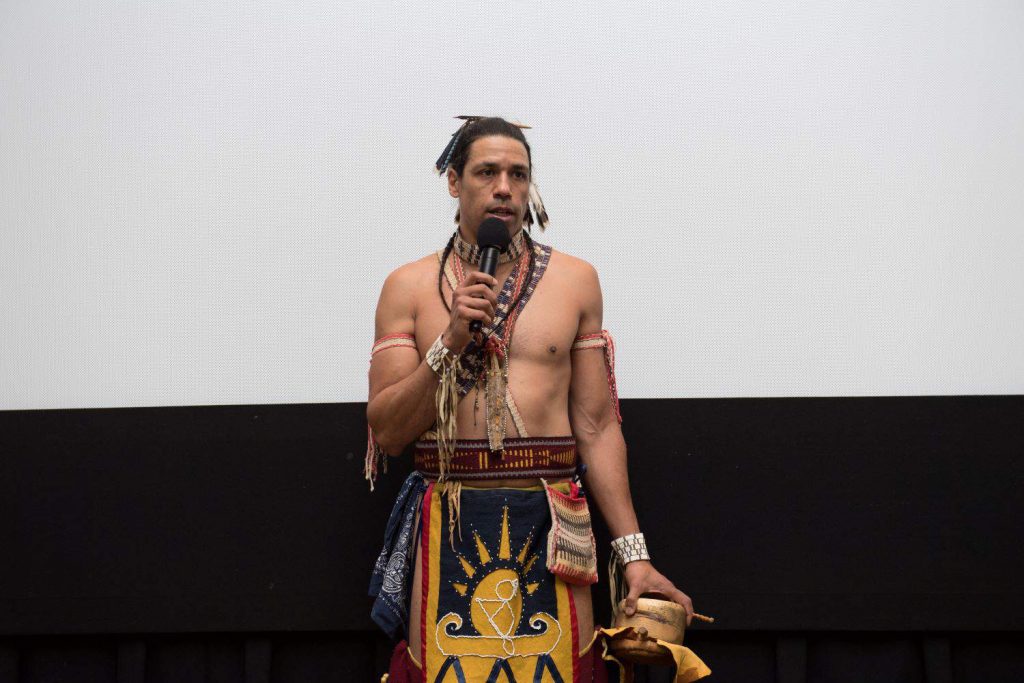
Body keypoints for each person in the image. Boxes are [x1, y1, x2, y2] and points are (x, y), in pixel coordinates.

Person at [365, 117, 707, 682]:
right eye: (487, 172)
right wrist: (449, 342)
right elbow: (389, 432)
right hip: (448, 516)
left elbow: (597, 428)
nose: (505, 186)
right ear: (454, 182)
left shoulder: (575, 281)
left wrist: (635, 555)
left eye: (518, 174)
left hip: (553, 522)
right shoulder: (408, 287)